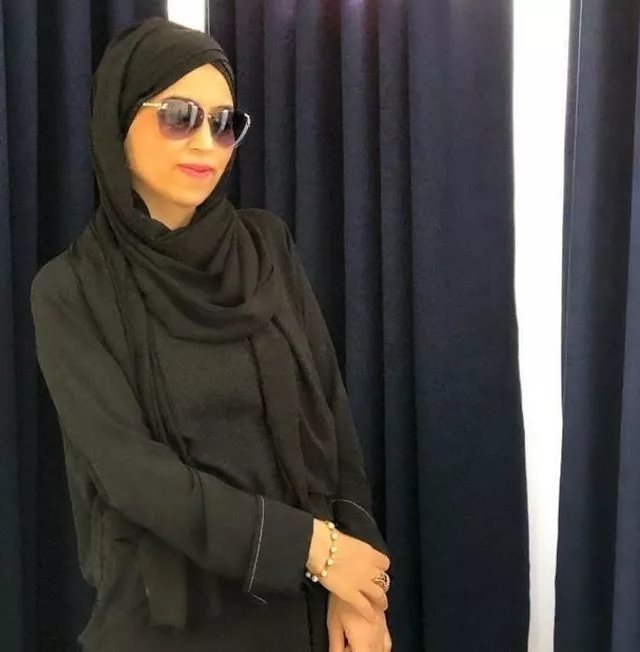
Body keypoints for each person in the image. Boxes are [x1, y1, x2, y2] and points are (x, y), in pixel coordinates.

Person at [30, 16, 391, 652]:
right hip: (168, 622)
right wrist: (315, 548)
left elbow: (333, 426)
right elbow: (134, 476)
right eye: (179, 116)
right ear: (119, 117)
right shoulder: (71, 290)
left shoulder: (266, 247)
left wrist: (359, 588)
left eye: (224, 123)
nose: (206, 143)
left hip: (305, 609)